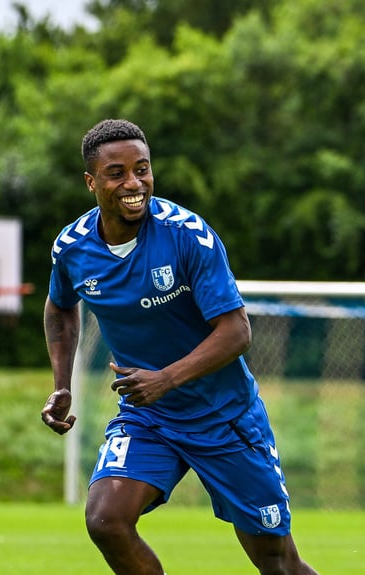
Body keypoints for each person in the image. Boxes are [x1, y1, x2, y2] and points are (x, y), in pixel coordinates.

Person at [40, 119, 319, 575]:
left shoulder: (187, 234)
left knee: (278, 562)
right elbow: (60, 308)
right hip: (149, 417)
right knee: (106, 520)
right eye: (117, 173)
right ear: (91, 181)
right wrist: (61, 384)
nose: (134, 183)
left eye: (142, 169)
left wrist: (165, 379)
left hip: (224, 418)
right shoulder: (72, 248)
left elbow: (236, 332)